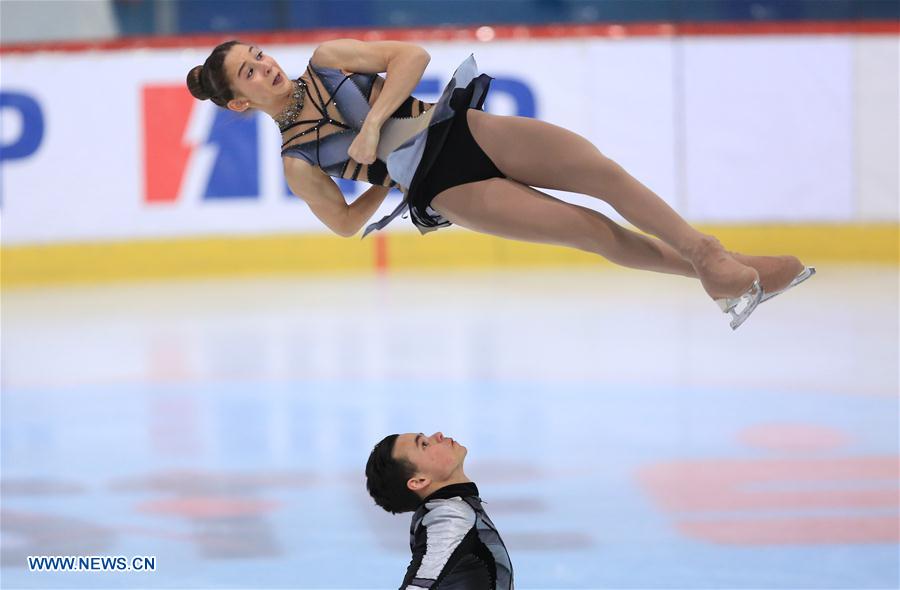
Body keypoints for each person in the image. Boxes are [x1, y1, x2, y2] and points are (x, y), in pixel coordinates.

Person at [186, 38, 814, 329]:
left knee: (598, 171)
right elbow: (347, 223)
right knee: (589, 230)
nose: (264, 66)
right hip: (444, 188)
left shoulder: (329, 58)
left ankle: (713, 260)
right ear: (239, 102)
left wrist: (374, 125)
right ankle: (715, 273)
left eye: (259, 55)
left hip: (463, 128)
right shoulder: (298, 162)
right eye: (249, 72)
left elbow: (414, 58)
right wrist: (386, 181)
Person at [366, 432, 514, 589]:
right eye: (424, 444)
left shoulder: (446, 510)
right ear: (419, 481)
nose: (438, 435)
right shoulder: (449, 517)